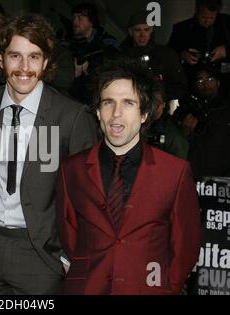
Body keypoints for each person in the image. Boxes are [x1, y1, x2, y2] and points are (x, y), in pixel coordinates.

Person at [0, 14, 98, 295]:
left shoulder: (71, 115)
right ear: (0, 59)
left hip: (40, 253)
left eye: (34, 57)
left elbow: (87, 194)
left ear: (45, 62)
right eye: (15, 56)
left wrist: (71, 256)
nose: (24, 67)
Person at [56, 61, 201, 295]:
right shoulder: (71, 169)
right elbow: (69, 235)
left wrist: (166, 288)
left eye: (128, 103)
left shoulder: (175, 172)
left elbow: (186, 245)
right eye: (108, 102)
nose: (116, 114)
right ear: (97, 111)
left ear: (144, 113)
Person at [120, 11, 188, 101]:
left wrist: (158, 95)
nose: (142, 35)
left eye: (146, 30)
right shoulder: (120, 57)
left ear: (152, 30)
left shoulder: (166, 54)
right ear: (130, 32)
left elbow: (180, 86)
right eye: (138, 30)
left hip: (159, 107)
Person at [64, 3, 120, 104]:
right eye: (74, 17)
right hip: (72, 101)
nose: (75, 21)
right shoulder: (67, 44)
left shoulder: (108, 43)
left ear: (91, 21)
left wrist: (89, 71)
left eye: (80, 17)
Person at [168, 0, 230, 83]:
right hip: (192, 80)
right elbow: (169, 52)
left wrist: (226, 49)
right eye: (204, 17)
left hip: (224, 80)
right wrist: (182, 55)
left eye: (212, 18)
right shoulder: (181, 28)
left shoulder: (228, 23)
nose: (207, 21)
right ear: (197, 11)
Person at [185, 67, 230, 178]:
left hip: (223, 177)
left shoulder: (226, 109)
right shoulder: (190, 109)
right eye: (200, 81)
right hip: (196, 175)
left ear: (218, 83)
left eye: (210, 79)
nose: (205, 84)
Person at [147, 84, 189, 159]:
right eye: (150, 103)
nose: (153, 108)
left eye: (157, 103)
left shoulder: (174, 136)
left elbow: (180, 166)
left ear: (163, 104)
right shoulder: (139, 126)